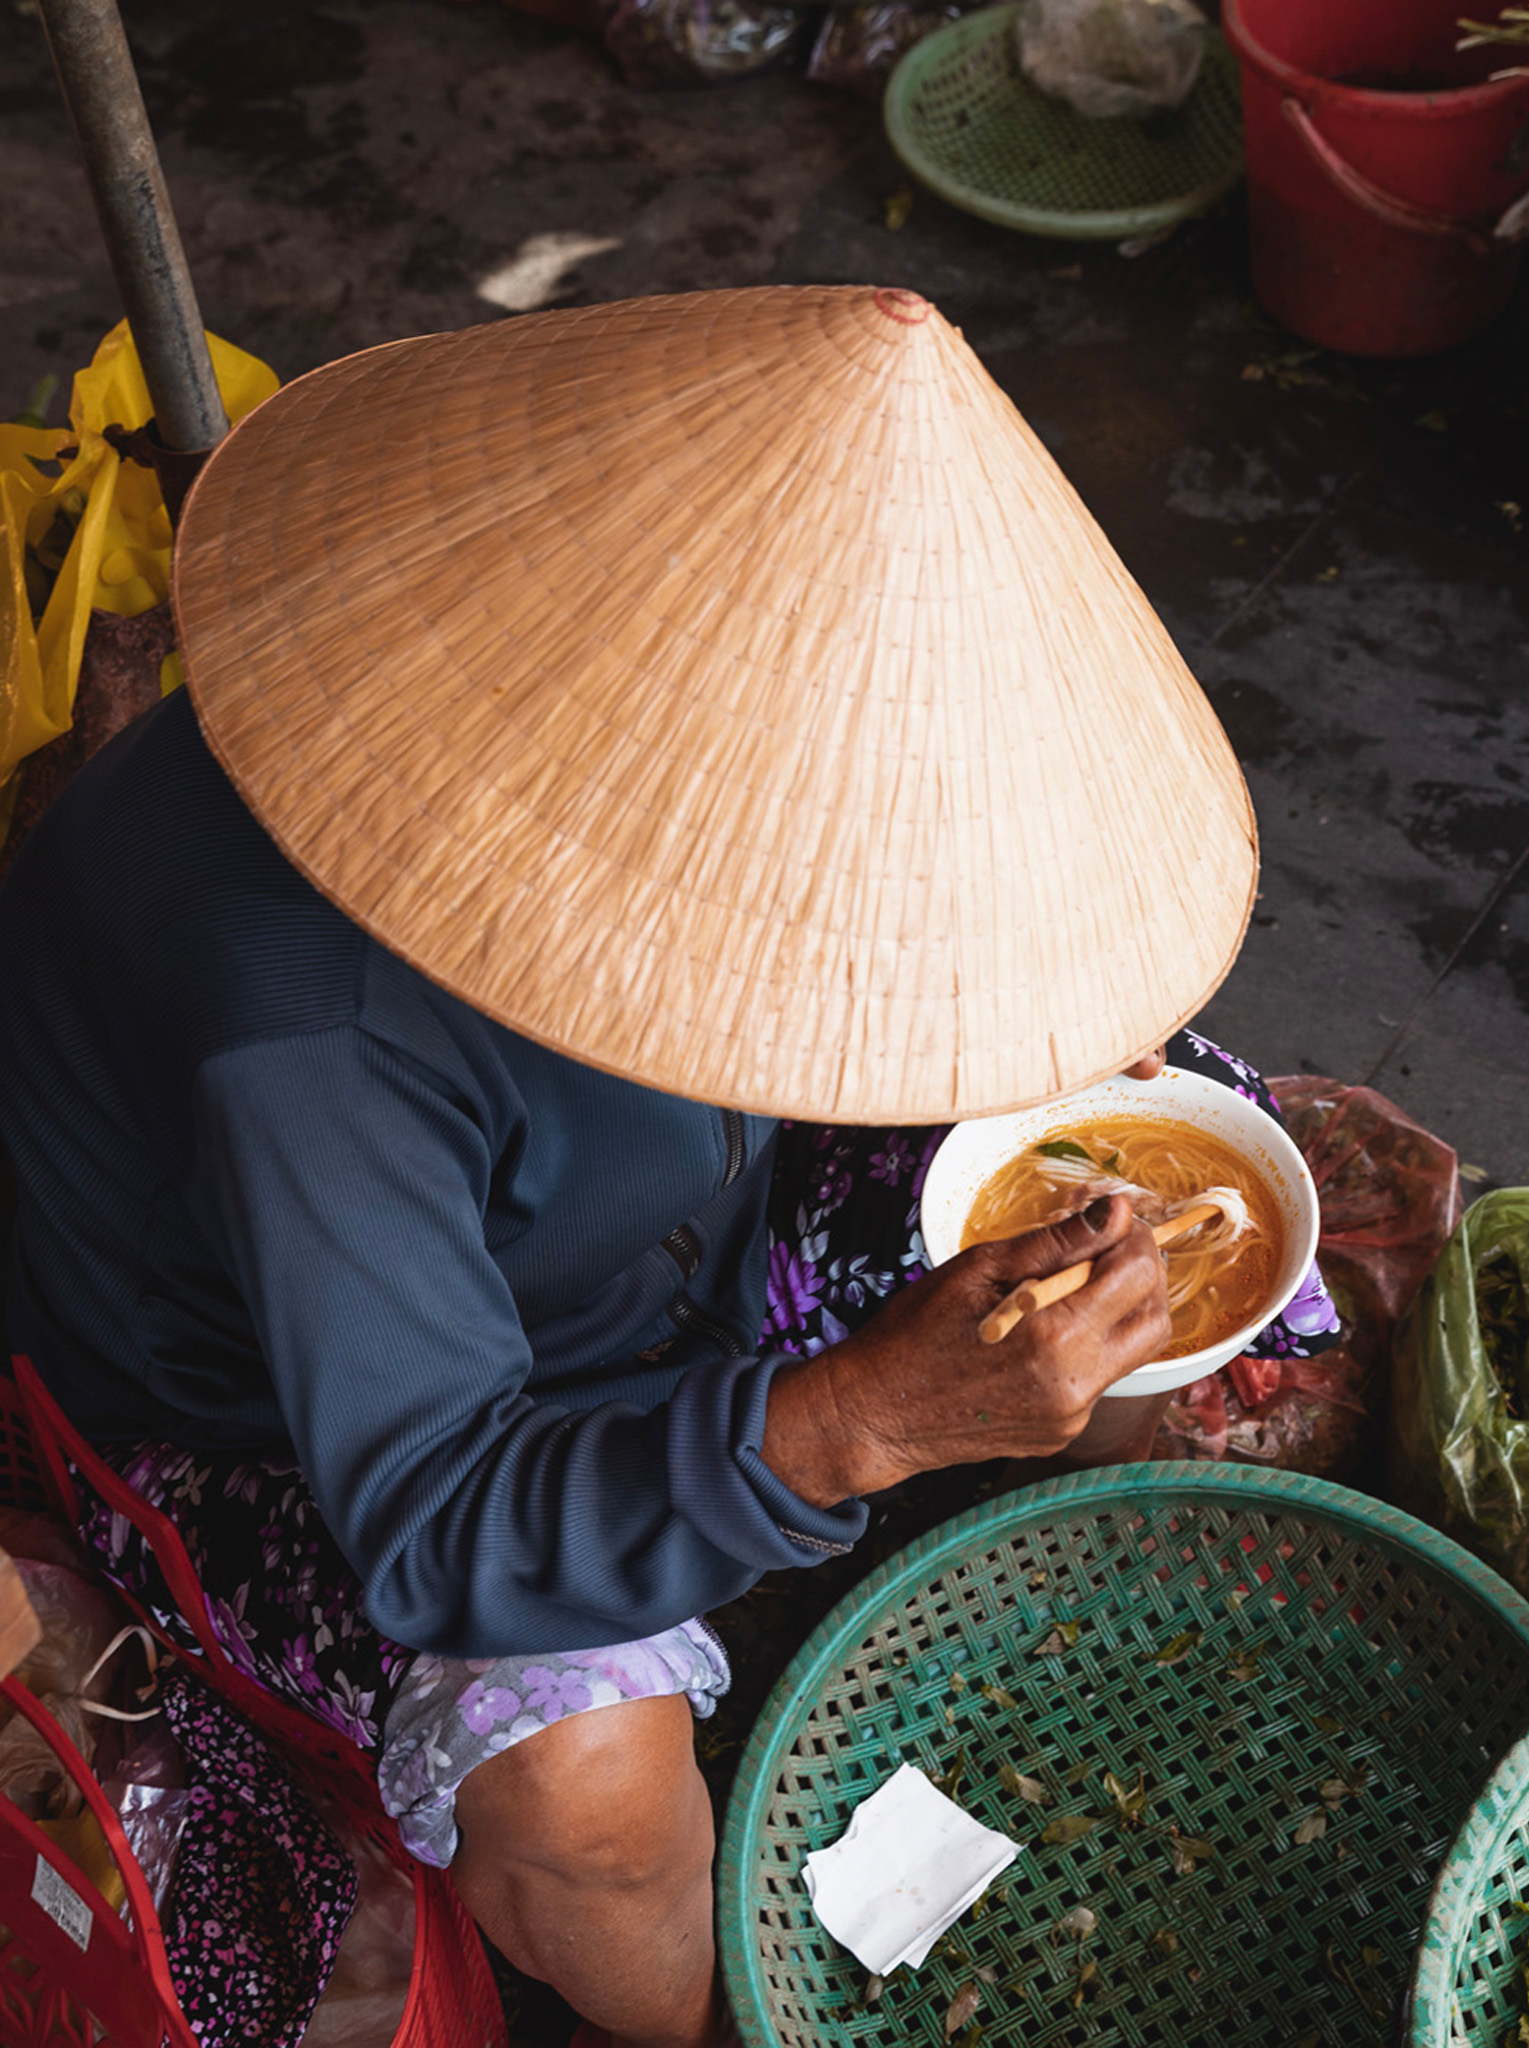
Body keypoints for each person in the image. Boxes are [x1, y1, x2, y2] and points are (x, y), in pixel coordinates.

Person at [0, 287, 1338, 2048]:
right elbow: (438, 1517)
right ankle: (715, 2024)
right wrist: (866, 1416)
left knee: (1141, 1195)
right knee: (591, 1794)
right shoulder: (313, 1031)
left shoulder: (685, 797)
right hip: (294, 1424)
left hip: (649, 1233)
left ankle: (1043, 1629)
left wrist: (1035, 1007)